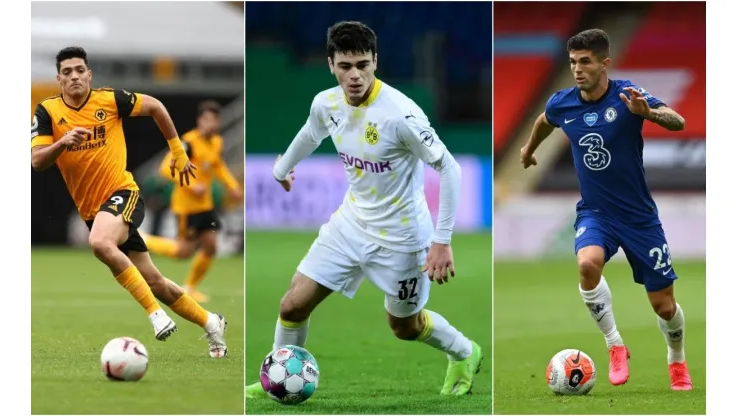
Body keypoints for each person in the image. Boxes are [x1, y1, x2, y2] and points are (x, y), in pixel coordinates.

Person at [245, 21, 482, 399]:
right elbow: (311, 132)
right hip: (350, 225)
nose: (354, 75)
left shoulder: (401, 115)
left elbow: (448, 168)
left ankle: (465, 351)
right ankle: (278, 377)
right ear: (330, 65)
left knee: (404, 326)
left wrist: (443, 240)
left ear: (375, 61)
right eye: (344, 66)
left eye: (362, 65)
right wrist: (282, 167)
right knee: (292, 304)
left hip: (403, 239)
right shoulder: (327, 103)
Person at [519, 29, 691, 390]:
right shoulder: (562, 102)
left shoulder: (628, 94)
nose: (577, 70)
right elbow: (543, 121)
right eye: (572, 63)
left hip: (640, 218)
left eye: (585, 62)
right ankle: (615, 345)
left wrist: (650, 115)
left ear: (604, 64)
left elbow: (679, 121)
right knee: (586, 263)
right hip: (596, 213)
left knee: (664, 306)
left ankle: (676, 361)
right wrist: (528, 150)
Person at [31, 46, 228, 358]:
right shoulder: (47, 112)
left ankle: (154, 315)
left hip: (123, 192)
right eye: (67, 72)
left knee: (98, 242)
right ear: (59, 79)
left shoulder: (109, 100)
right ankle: (211, 323)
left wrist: (177, 151)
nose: (74, 76)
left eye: (80, 70)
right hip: (92, 210)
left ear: (89, 74)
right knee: (156, 281)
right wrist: (61, 143)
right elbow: (37, 161)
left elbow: (156, 106)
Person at [142, 100, 242, 303]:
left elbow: (218, 166)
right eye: (206, 120)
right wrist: (191, 185)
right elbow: (164, 170)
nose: (210, 124)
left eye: (214, 120)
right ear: (199, 121)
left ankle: (190, 287)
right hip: (187, 207)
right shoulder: (187, 143)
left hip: (205, 206)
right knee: (183, 251)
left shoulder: (217, 142)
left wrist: (233, 186)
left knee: (211, 246)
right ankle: (144, 240)